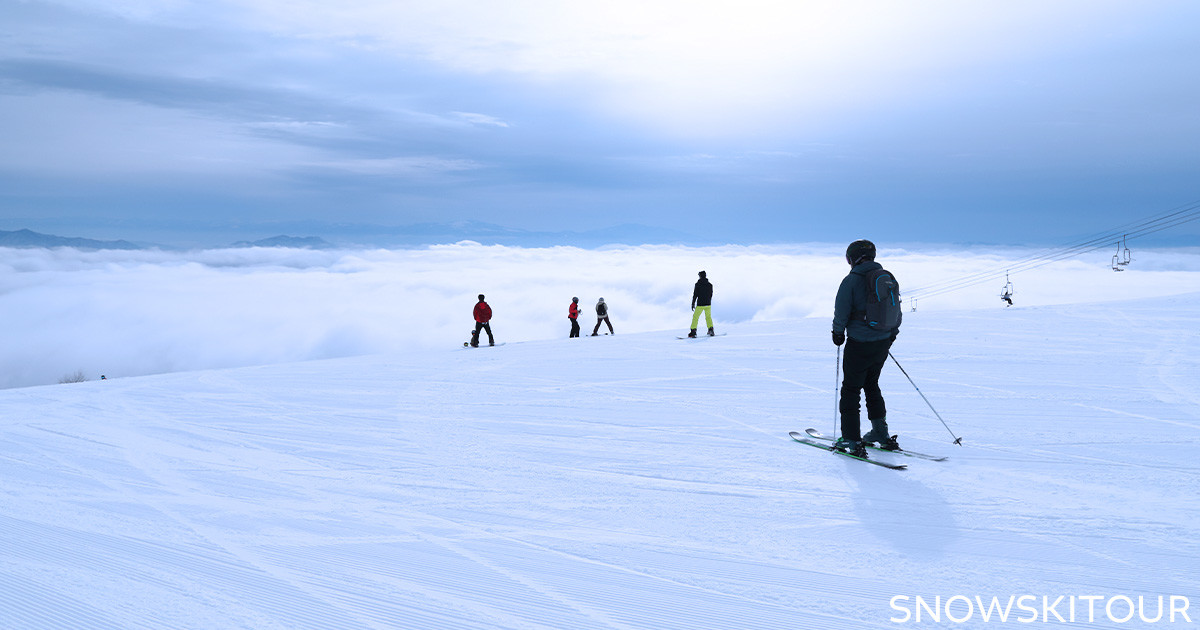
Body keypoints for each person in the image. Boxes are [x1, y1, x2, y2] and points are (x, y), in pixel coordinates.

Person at [832, 240, 901, 457]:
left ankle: (852, 439)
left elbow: (841, 311)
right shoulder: (887, 277)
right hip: (882, 342)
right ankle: (881, 433)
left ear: (852, 258)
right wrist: (890, 337)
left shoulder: (852, 281)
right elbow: (896, 310)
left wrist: (837, 333)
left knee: (851, 389)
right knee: (872, 384)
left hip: (859, 343)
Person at [689, 270, 715, 338]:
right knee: (708, 317)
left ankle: (693, 332)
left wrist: (693, 303)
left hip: (700, 304)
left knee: (695, 317)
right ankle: (711, 329)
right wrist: (708, 301)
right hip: (708, 304)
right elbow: (711, 294)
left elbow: (695, 295)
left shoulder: (698, 284)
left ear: (700, 276)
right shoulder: (710, 285)